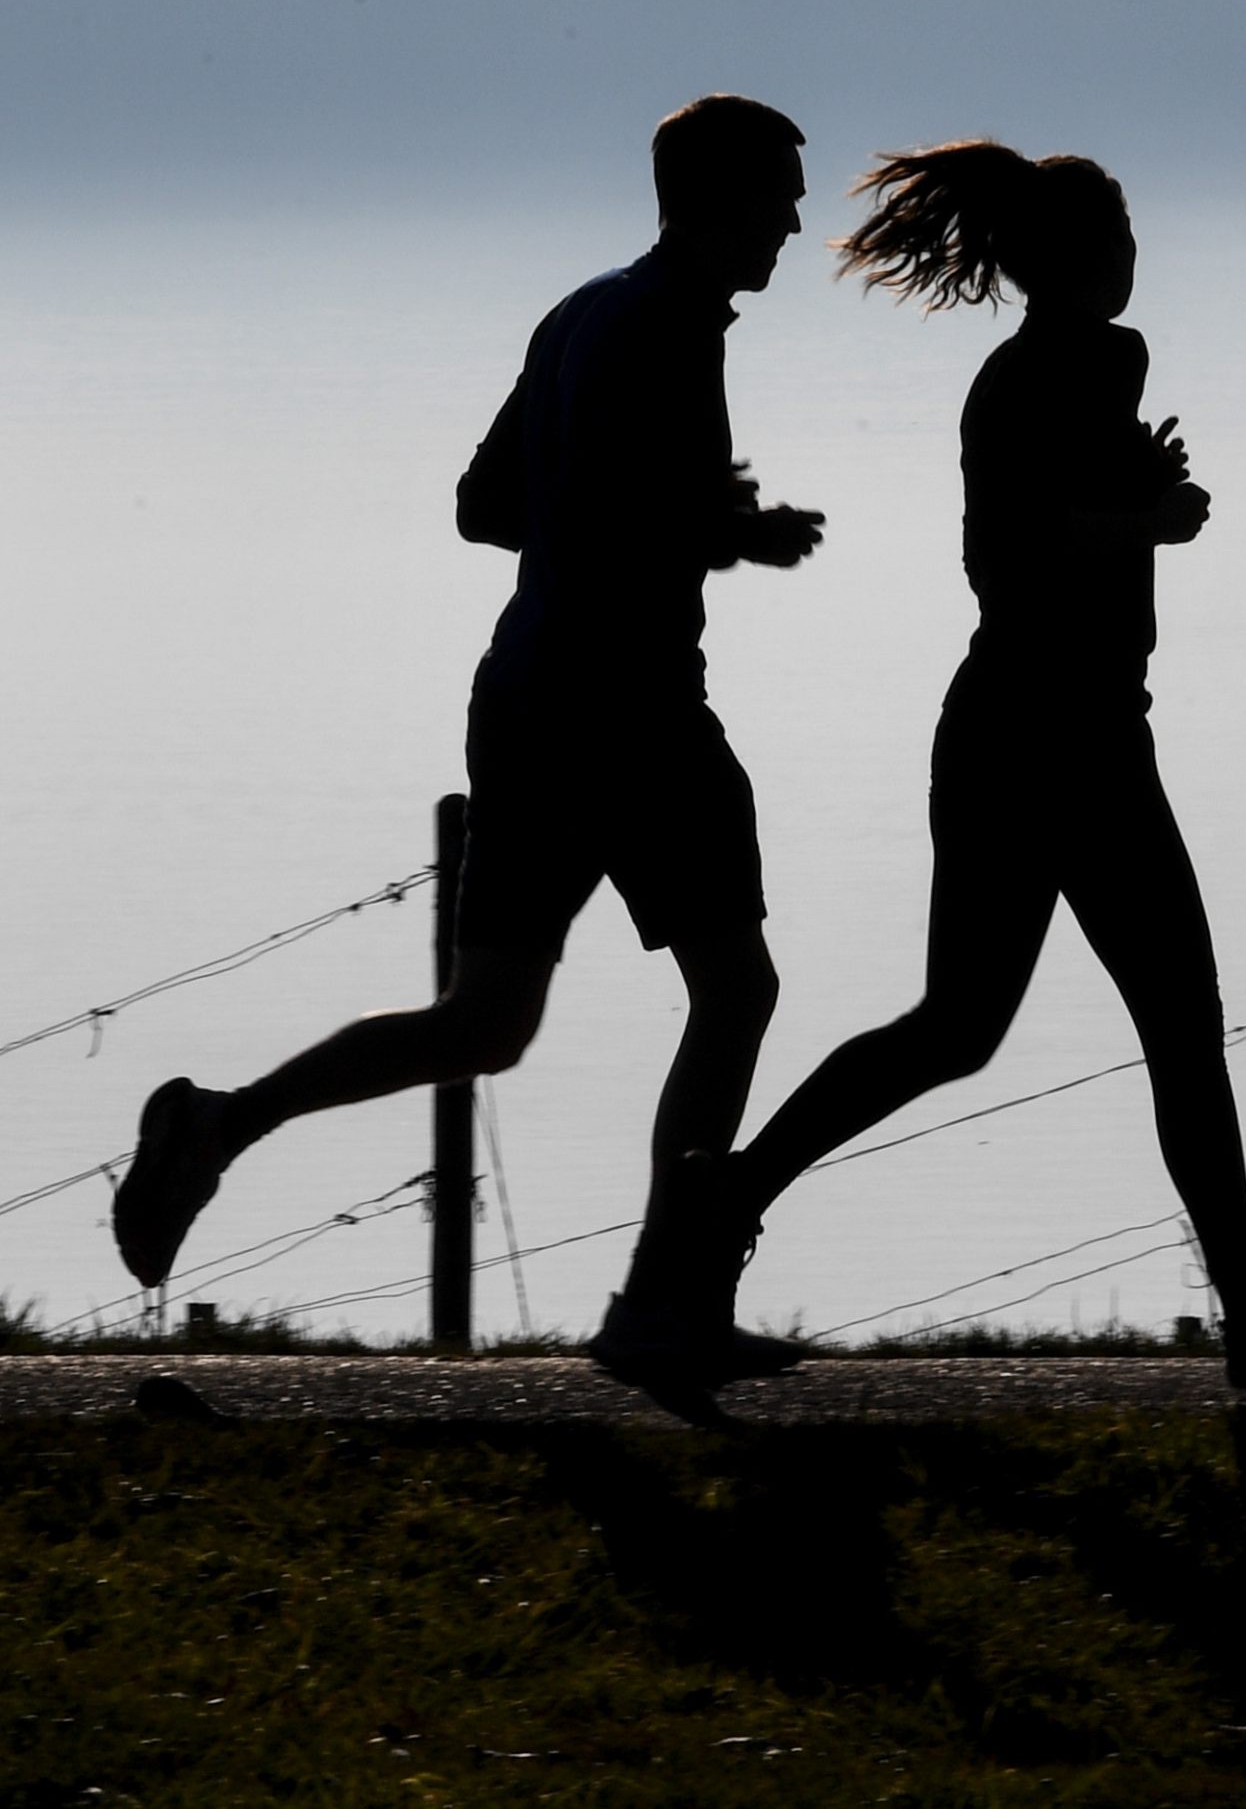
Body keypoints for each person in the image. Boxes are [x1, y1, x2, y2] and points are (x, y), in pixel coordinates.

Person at [594, 139, 1246, 1396]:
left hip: (1012, 731)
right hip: (1060, 734)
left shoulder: (1034, 377)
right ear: (1092, 257)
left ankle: (731, 1190)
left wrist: (1132, 493)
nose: (1136, 266)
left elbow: (1041, 522)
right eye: (1125, 244)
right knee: (1169, 1021)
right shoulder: (1073, 366)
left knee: (959, 1027)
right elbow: (1020, 548)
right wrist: (1149, 516)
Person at [112, 94, 827, 1335]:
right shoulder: (658, 325)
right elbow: (600, 511)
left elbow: (486, 505)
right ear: (715, 200)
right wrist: (727, 529)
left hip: (528, 700)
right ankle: (667, 1298)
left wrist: (679, 513)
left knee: (486, 1025)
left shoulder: (583, 312)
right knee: (737, 989)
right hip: (630, 708)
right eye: (780, 192)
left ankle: (219, 1122)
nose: (797, 220)